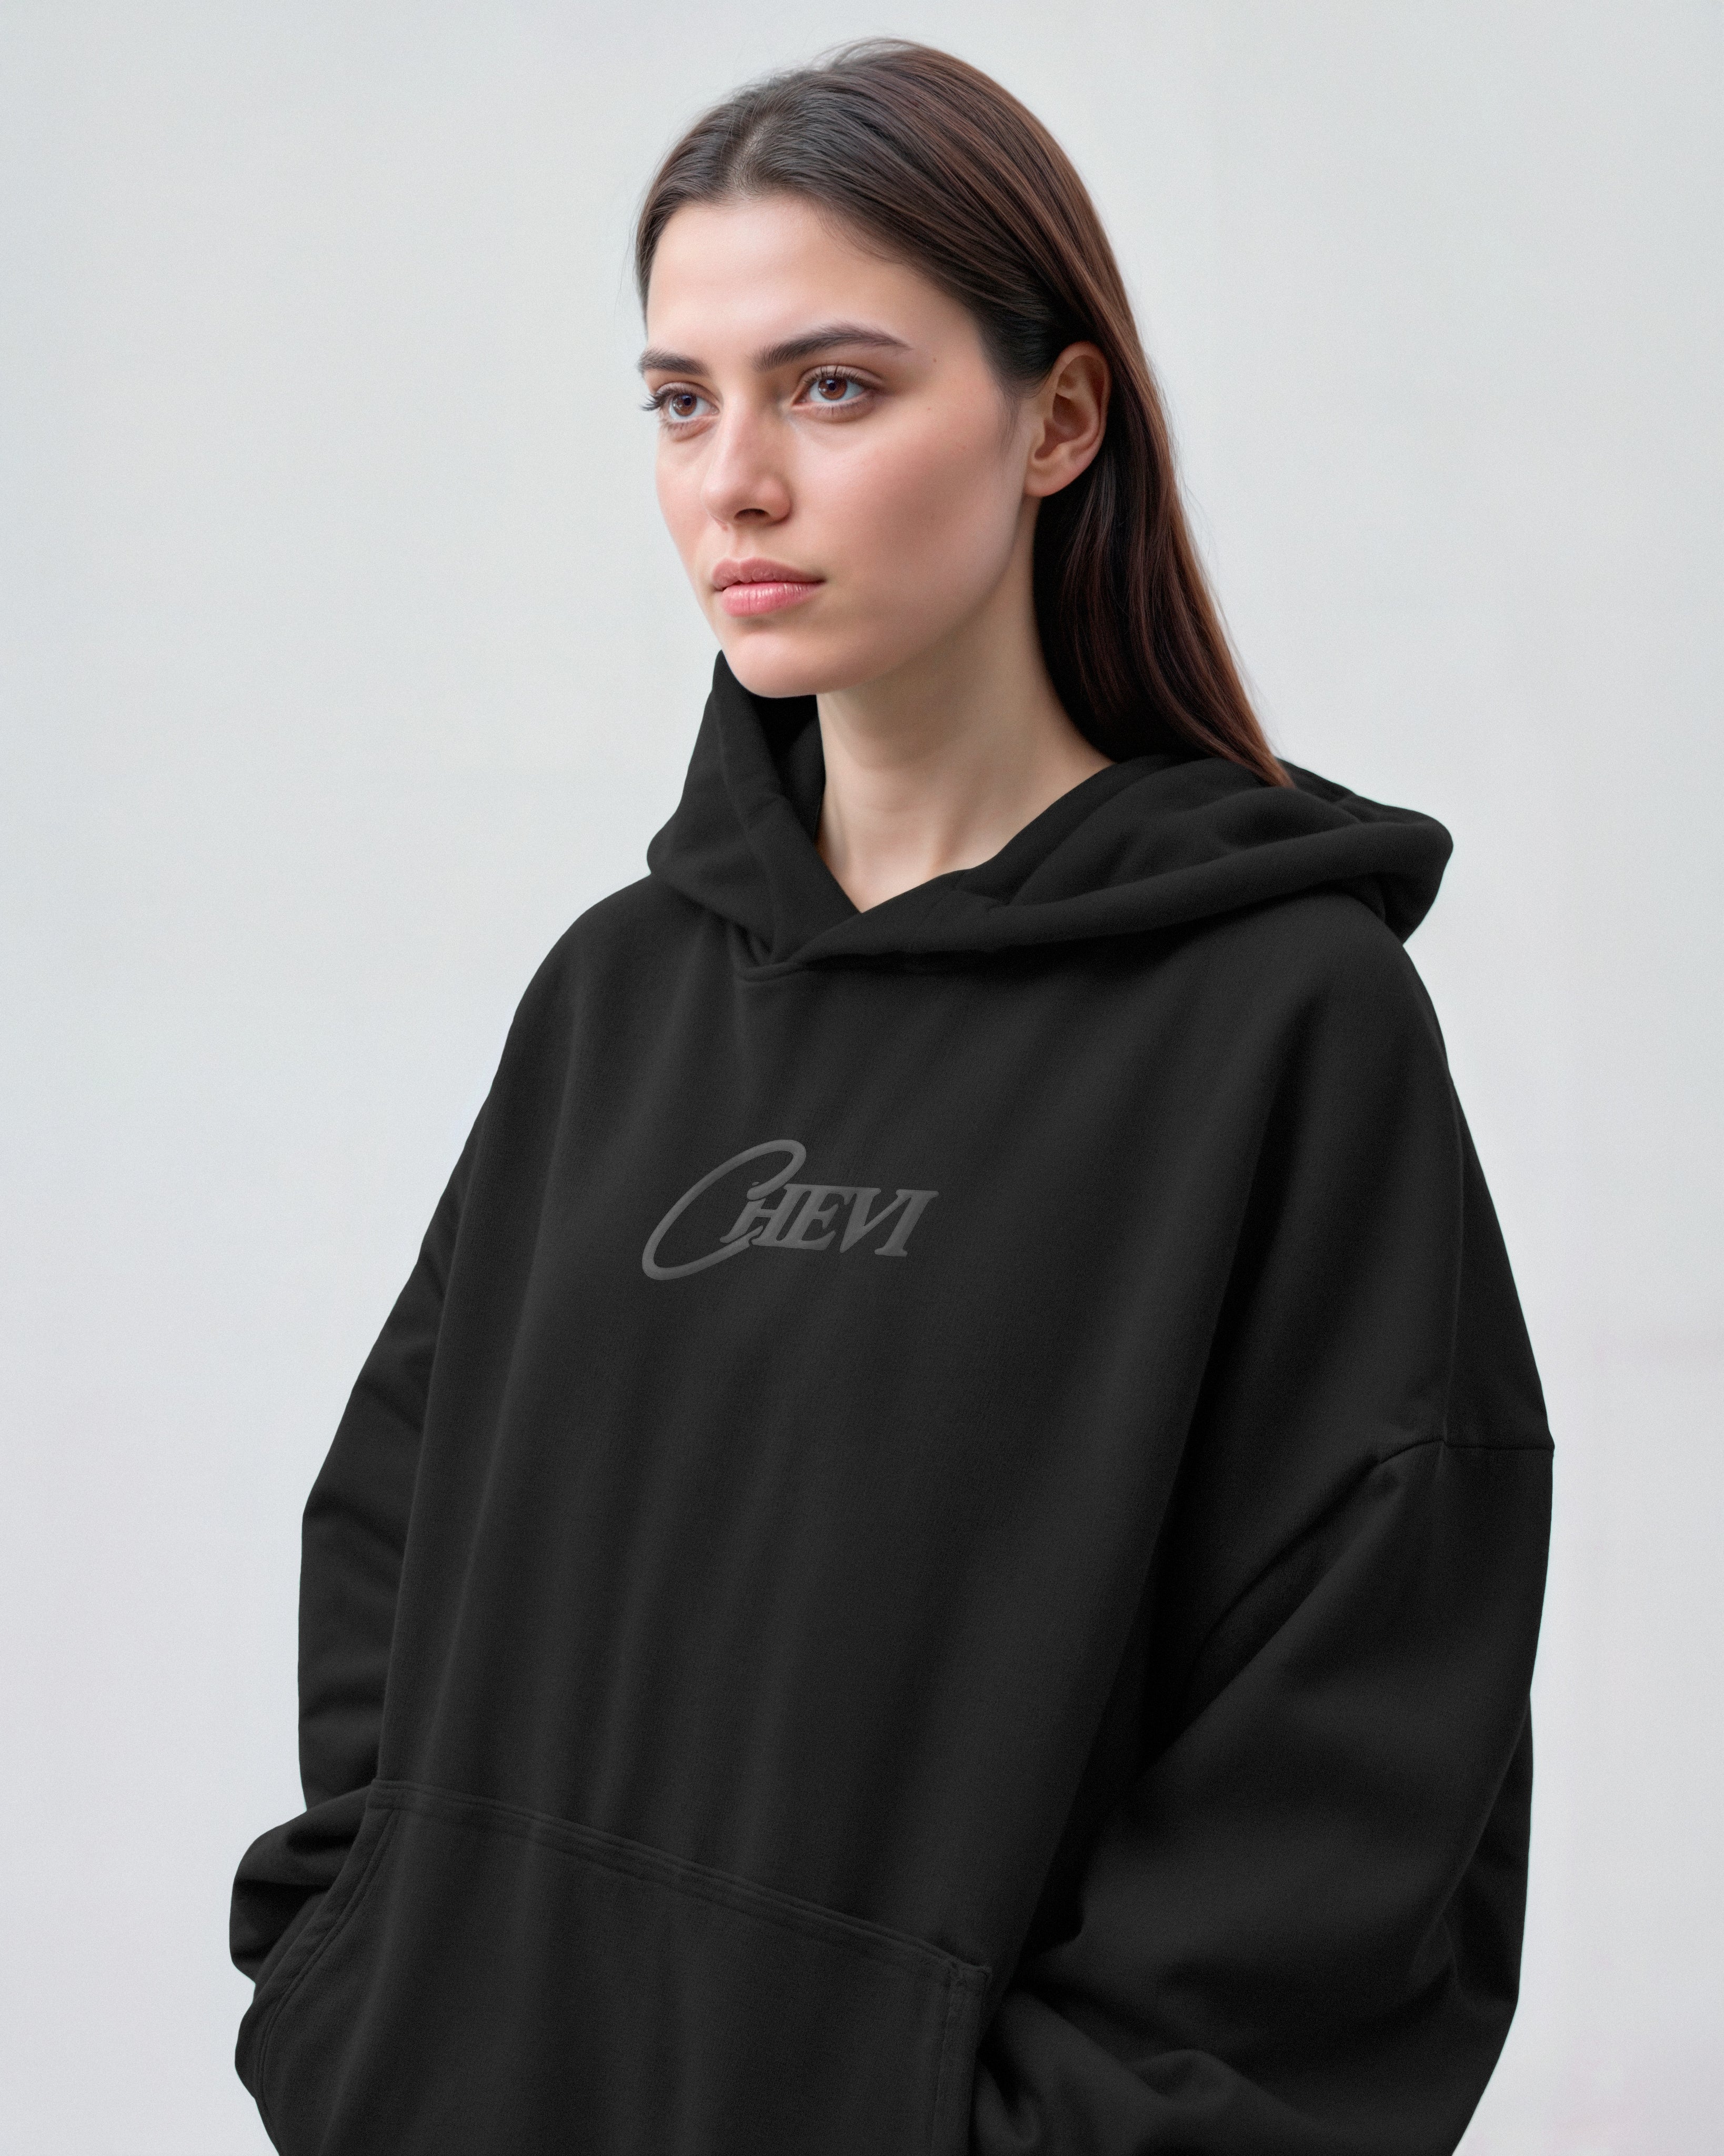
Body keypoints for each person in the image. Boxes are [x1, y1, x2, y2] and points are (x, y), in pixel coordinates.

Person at [229, 38, 1552, 2156]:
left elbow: (1352, 1766)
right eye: (682, 401)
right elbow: (394, 1544)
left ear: (1059, 419)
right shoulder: (617, 999)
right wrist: (361, 2005)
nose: (735, 481)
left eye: (831, 388)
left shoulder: (1280, 1024)